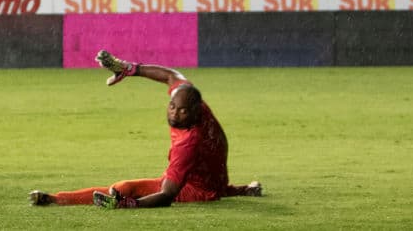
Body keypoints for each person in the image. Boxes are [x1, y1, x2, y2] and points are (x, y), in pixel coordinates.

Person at [30, 50, 260, 209]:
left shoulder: (188, 143)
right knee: (130, 188)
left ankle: (55, 200)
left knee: (123, 188)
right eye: (172, 106)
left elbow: (168, 195)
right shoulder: (192, 99)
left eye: (181, 111)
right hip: (215, 177)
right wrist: (131, 69)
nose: (174, 113)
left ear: (195, 112)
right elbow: (171, 75)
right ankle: (236, 190)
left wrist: (131, 204)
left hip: (199, 189)